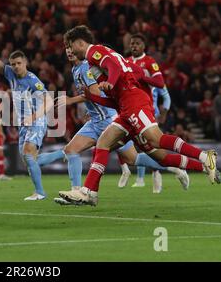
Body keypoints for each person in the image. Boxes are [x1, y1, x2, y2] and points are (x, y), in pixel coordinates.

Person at [58, 25, 220, 206]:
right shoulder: (93, 65)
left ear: (80, 43)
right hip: (124, 106)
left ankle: (206, 157)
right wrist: (93, 97)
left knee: (157, 139)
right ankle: (90, 192)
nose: (70, 50)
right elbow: (113, 98)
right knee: (114, 146)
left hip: (134, 101)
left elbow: (114, 67)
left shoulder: (94, 51)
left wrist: (111, 82)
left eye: (71, 45)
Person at [35, 43, 187, 206]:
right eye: (66, 48)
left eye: (72, 47)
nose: (69, 51)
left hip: (109, 120)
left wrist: (71, 100)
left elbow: (94, 93)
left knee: (133, 159)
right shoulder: (75, 69)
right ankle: (77, 192)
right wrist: (91, 109)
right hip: (95, 121)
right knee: (71, 150)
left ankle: (174, 167)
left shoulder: (87, 67)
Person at [0, 25, 53, 201]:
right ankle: (63, 154)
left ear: (25, 63)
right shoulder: (9, 73)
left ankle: (40, 193)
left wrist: (33, 117)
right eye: (13, 64)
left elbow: (49, 101)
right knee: (30, 160)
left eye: (19, 63)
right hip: (24, 123)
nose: (16, 67)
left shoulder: (33, 81)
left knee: (27, 153)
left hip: (37, 119)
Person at [119, 33, 172, 193]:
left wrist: (164, 110)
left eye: (137, 43)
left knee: (150, 145)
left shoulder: (149, 62)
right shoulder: (126, 62)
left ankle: (158, 173)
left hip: (149, 110)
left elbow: (163, 90)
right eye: (132, 43)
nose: (134, 46)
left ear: (143, 46)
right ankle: (137, 177)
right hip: (130, 109)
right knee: (129, 144)